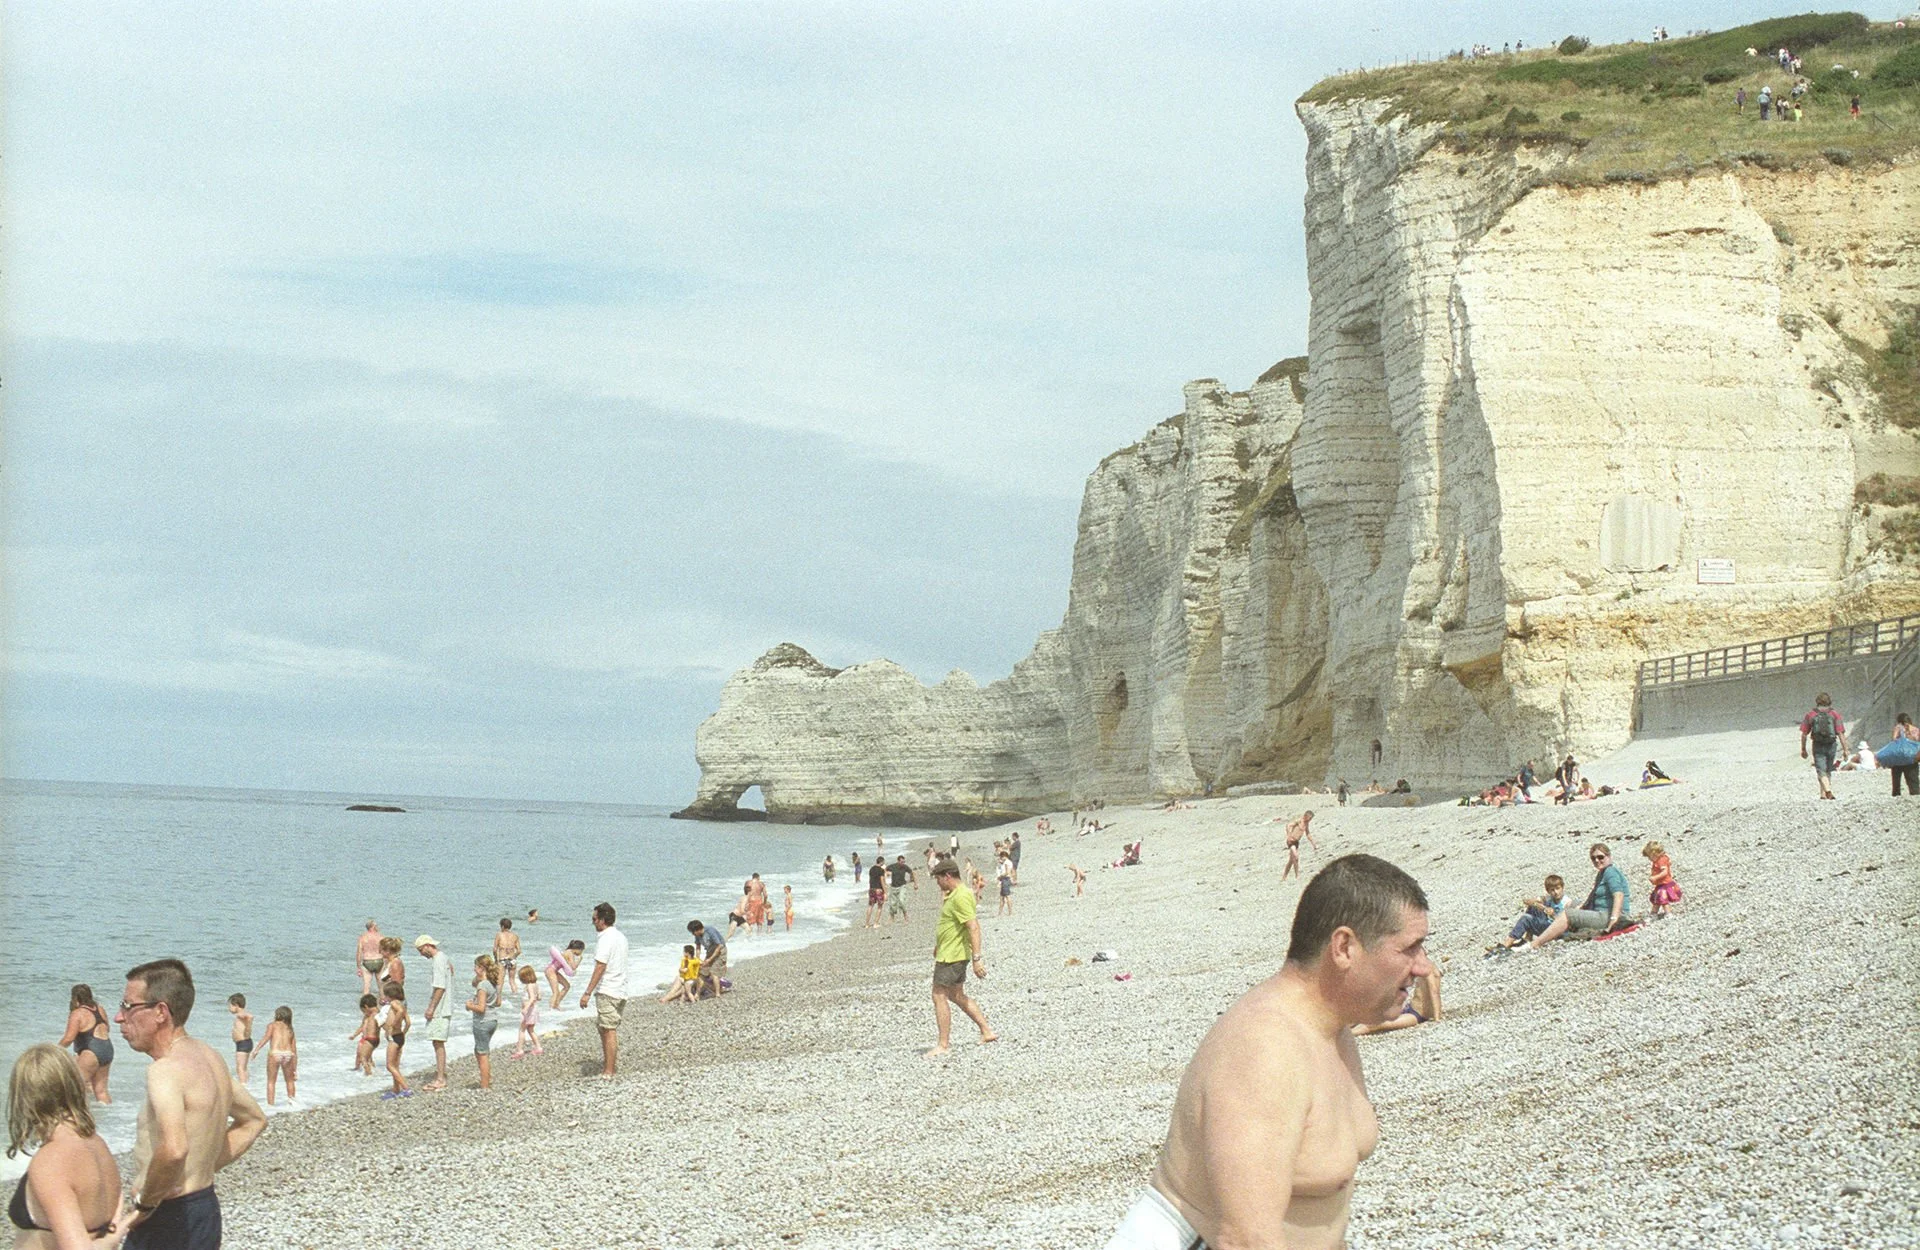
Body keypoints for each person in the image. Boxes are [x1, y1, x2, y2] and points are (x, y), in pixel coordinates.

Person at [1104, 854, 1430, 1250]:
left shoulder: (1330, 1027)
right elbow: (1244, 1239)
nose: (1424, 967)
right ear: (1344, 947)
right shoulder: (1265, 1050)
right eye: (1409, 949)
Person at [116, 957, 268, 1249]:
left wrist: (145, 1204)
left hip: (167, 1218)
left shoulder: (165, 1069)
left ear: (161, 1011)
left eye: (127, 1006)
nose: (118, 1017)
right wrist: (202, 1166)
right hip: (203, 1208)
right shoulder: (208, 1056)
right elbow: (254, 1120)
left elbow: (174, 1150)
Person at [6, 1043, 122, 1248]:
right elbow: (113, 1222)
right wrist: (116, 1235)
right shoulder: (97, 1145)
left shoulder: (51, 1160)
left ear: (25, 1097)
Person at [928, 859, 997, 1056]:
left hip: (953, 956)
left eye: (939, 879)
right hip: (948, 951)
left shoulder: (961, 896)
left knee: (939, 994)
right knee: (956, 995)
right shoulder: (954, 895)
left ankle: (943, 1045)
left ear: (947, 876)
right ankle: (987, 1030)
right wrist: (938, 945)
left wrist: (977, 959)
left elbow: (973, 927)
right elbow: (952, 925)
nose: (938, 884)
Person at [1525, 844, 1631, 948]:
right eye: (1593, 858)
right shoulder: (1602, 873)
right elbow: (1592, 896)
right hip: (1602, 912)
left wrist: (1614, 919)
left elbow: (1618, 895)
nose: (1597, 860)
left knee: (1567, 914)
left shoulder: (1610, 872)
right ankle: (1553, 930)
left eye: (1600, 857)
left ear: (1609, 856)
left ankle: (1535, 943)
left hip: (1609, 915)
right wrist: (1581, 907)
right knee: (1571, 904)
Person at [578, 902, 630, 1078]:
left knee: (608, 1030)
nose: (592, 923)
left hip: (609, 989)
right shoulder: (620, 936)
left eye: (594, 919)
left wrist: (587, 992)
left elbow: (600, 966)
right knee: (603, 1027)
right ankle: (609, 1065)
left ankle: (609, 1070)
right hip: (620, 988)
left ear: (602, 920)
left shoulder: (605, 938)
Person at [58, 986, 114, 1106]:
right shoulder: (100, 1009)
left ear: (75, 998)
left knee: (75, 1088)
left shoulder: (77, 1014)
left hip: (91, 1050)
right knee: (101, 1091)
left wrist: (55, 1050)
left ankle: (79, 1118)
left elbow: (69, 1038)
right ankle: (109, 1117)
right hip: (107, 1048)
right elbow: (107, 1028)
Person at [414, 935, 455, 1092]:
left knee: (438, 1042)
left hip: (441, 1008)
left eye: (420, 950)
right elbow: (451, 970)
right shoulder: (443, 957)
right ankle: (440, 1075)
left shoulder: (438, 960)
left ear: (427, 946)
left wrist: (431, 1007)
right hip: (446, 1005)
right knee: (438, 1042)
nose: (421, 954)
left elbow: (440, 987)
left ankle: (440, 1078)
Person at [1488, 875, 1567, 953]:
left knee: (1526, 918)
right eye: (1552, 890)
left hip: (1554, 929)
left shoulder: (1566, 902)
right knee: (1533, 907)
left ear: (1562, 888)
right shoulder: (1548, 898)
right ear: (1548, 891)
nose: (1555, 892)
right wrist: (1542, 907)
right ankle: (1527, 938)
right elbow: (1526, 900)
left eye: (1557, 889)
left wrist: (1553, 915)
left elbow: (1565, 922)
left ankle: (1506, 945)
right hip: (1546, 924)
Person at [1353, 967, 1443, 1035]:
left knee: (1374, 1025)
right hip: (1411, 1009)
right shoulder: (1426, 969)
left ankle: (1351, 1034)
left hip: (1417, 1015)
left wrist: (1437, 1018)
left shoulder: (1428, 971)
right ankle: (1345, 1030)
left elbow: (1434, 993)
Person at [1800, 692, 1849, 800]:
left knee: (1820, 770)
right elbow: (1841, 733)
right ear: (1829, 702)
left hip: (1817, 745)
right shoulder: (1835, 714)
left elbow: (1804, 734)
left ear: (1817, 702)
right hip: (1831, 744)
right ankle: (1823, 794)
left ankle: (1827, 791)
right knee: (1827, 769)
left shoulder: (1811, 715)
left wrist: (1803, 749)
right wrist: (1845, 749)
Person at [468, 956, 500, 1091]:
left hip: (482, 1021)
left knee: (482, 1054)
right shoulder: (493, 983)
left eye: (475, 967)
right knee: (480, 1050)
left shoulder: (483, 986)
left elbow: (481, 1008)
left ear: (481, 968)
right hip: (492, 1020)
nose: (474, 969)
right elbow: (498, 1003)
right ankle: (486, 1078)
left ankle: (485, 1086)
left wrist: (469, 1005)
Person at [259, 1007, 297, 1106]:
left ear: (278, 1015)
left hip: (275, 1053)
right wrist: (295, 1069)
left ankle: (271, 1105)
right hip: (288, 1054)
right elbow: (294, 1050)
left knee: (271, 1081)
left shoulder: (272, 1025)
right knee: (290, 1081)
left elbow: (266, 1038)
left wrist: (256, 1050)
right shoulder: (290, 1029)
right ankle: (292, 1102)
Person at [380, 983, 411, 1099]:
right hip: (400, 1037)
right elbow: (408, 1022)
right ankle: (396, 1089)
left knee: (389, 1065)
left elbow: (400, 1013)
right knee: (395, 1065)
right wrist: (403, 1032)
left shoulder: (394, 1003)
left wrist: (392, 1026)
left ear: (389, 995)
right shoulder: (402, 1004)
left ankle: (406, 1088)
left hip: (394, 1037)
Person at [511, 966, 544, 1057]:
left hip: (529, 1010)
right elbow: (539, 997)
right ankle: (538, 1047)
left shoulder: (529, 985)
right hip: (534, 1009)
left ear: (526, 977)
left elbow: (532, 998)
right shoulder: (535, 984)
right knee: (530, 1030)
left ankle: (519, 1050)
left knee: (522, 1029)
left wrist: (525, 1008)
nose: (521, 980)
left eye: (522, 978)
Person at [1885, 712, 1919, 797]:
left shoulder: (1898, 728)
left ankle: (1896, 796)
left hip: (1899, 758)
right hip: (1912, 757)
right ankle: (1916, 795)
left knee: (1896, 781)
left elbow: (1894, 740)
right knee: (1913, 780)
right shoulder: (1915, 729)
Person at [688, 921, 728, 996]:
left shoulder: (710, 931)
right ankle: (697, 994)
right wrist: (697, 959)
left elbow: (719, 945)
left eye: (693, 932)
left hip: (720, 950)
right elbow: (698, 947)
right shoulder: (697, 935)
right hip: (710, 951)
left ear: (698, 930)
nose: (693, 934)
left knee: (714, 972)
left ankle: (717, 994)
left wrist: (709, 960)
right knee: (702, 972)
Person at [1644, 842, 1683, 918]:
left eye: (1650, 857)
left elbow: (1665, 872)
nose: (1650, 859)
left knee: (1663, 899)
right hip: (1661, 883)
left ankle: (1668, 913)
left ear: (1654, 854)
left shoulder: (1661, 861)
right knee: (1657, 899)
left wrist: (1655, 877)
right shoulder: (1662, 859)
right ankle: (1653, 913)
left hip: (1664, 883)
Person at [544, 940, 585, 1009]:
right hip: (551, 971)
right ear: (578, 948)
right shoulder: (570, 953)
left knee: (567, 986)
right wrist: (580, 959)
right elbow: (573, 967)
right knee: (555, 992)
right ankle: (551, 1010)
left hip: (553, 971)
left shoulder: (568, 952)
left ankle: (556, 1005)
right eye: (581, 950)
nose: (581, 953)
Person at [1278, 811, 1318, 881]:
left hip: (1296, 842)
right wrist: (1289, 835)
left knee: (1291, 861)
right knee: (1296, 857)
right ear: (1306, 816)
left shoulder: (1306, 824)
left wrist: (1313, 844)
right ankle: (1297, 876)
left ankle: (1284, 877)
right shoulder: (1299, 821)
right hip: (1291, 841)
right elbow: (1288, 825)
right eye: (1309, 818)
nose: (1310, 820)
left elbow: (1308, 834)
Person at [225, 994, 254, 1083]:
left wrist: (248, 1028)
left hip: (243, 1043)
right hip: (244, 1043)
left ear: (236, 1005)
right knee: (243, 1067)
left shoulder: (240, 1014)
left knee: (240, 1068)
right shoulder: (239, 1015)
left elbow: (250, 1016)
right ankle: (246, 1084)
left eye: (230, 1006)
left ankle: (243, 1086)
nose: (229, 1008)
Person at [350, 994, 381, 1076]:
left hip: (371, 1039)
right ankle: (372, 1071)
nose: (364, 1013)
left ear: (366, 1007)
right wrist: (354, 1035)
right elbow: (361, 1027)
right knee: (367, 1058)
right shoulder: (369, 1016)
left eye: (363, 1010)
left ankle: (369, 1075)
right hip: (370, 1039)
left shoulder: (376, 1014)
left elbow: (383, 1022)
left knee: (363, 1058)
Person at [354, 921, 385, 996]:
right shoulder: (381, 937)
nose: (378, 927)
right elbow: (386, 951)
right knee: (381, 985)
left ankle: (365, 1005)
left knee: (366, 986)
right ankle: (383, 1003)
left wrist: (358, 967)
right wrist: (387, 964)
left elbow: (359, 953)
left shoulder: (362, 938)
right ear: (373, 927)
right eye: (376, 926)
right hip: (379, 961)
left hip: (367, 961)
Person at [493, 919, 522, 986]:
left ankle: (499, 996)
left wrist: (495, 959)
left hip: (502, 959)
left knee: (500, 980)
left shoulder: (499, 935)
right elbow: (519, 951)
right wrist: (514, 957)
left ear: (502, 926)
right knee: (512, 981)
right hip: (512, 960)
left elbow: (494, 949)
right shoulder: (515, 936)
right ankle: (515, 995)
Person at [888, 856, 914, 925]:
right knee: (892, 904)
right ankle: (892, 918)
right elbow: (885, 870)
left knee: (901, 901)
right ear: (898, 861)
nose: (903, 863)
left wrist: (913, 881)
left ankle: (906, 917)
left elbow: (911, 872)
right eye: (902, 862)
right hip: (893, 886)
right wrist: (886, 876)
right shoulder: (892, 866)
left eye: (904, 862)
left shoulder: (905, 867)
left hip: (902, 886)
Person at [865, 858, 887, 929]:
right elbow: (882, 881)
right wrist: (885, 892)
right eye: (883, 862)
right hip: (878, 890)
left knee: (870, 906)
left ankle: (867, 924)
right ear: (881, 862)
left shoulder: (871, 869)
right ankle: (875, 923)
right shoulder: (881, 870)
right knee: (879, 907)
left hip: (871, 888)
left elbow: (870, 879)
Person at [995, 850, 1015, 916]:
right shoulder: (1009, 862)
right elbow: (1011, 871)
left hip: (1005, 879)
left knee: (1006, 896)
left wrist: (999, 877)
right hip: (1007, 879)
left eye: (1002, 857)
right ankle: (1000, 913)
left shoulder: (1006, 863)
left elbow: (1007, 872)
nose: (1002, 858)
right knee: (1002, 896)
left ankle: (1009, 912)